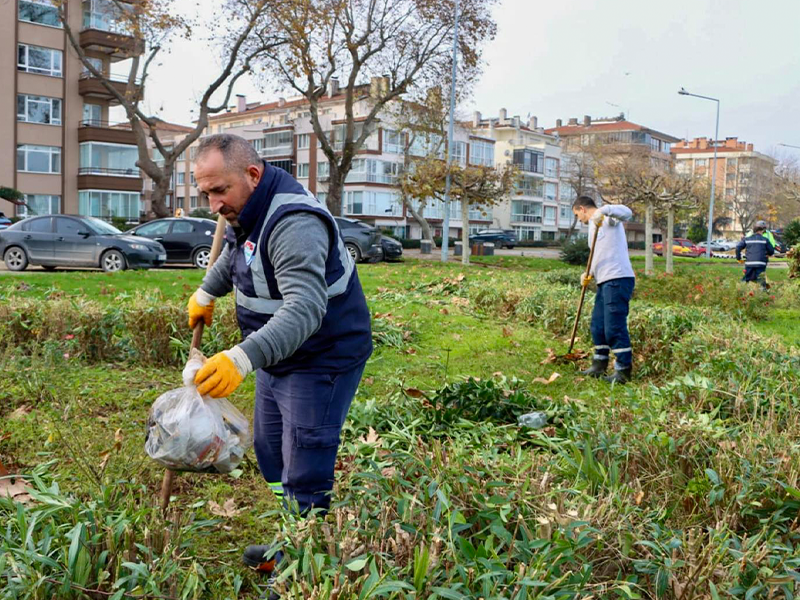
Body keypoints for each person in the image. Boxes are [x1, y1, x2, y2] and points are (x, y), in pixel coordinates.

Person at [185, 134, 373, 576]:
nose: (213, 205)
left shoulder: (294, 222)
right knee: (272, 450)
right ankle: (292, 536)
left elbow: (305, 309)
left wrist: (240, 358)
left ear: (252, 174)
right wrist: (208, 290)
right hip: (278, 352)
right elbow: (236, 250)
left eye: (219, 191)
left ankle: (304, 568)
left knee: (305, 458)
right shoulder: (247, 206)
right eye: (205, 192)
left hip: (322, 353)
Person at [572, 196, 636, 384]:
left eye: (577, 215)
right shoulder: (593, 227)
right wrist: (588, 273)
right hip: (604, 281)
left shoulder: (608, 219)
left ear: (582, 209)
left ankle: (623, 371)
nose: (579, 220)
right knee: (598, 326)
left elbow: (627, 212)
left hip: (618, 278)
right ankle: (599, 365)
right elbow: (598, 254)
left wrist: (603, 210)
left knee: (614, 327)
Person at [736, 220, 774, 290]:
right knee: (761, 280)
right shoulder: (765, 239)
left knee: (746, 278)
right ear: (761, 231)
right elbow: (771, 250)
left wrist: (738, 258)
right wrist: (768, 254)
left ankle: (740, 290)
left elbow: (738, 247)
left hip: (749, 263)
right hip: (761, 263)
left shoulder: (747, 239)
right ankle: (763, 294)